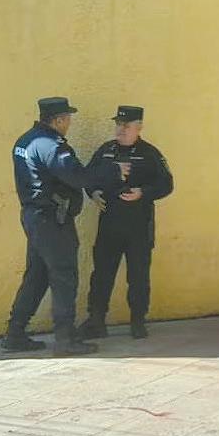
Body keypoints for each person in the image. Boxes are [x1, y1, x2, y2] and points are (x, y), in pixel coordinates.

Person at [3, 97, 128, 356]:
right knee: (64, 277)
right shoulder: (52, 146)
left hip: (34, 217)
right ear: (58, 120)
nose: (69, 122)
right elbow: (78, 177)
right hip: (53, 221)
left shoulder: (25, 140)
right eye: (68, 118)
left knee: (37, 276)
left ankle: (15, 333)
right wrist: (113, 171)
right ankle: (65, 340)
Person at [77, 106, 173, 340]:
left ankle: (138, 321)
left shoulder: (149, 154)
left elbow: (167, 184)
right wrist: (94, 193)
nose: (120, 130)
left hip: (138, 225)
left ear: (138, 127)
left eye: (126, 126)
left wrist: (143, 192)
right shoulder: (106, 151)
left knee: (138, 276)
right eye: (118, 125)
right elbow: (89, 177)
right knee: (102, 274)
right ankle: (96, 320)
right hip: (110, 223)